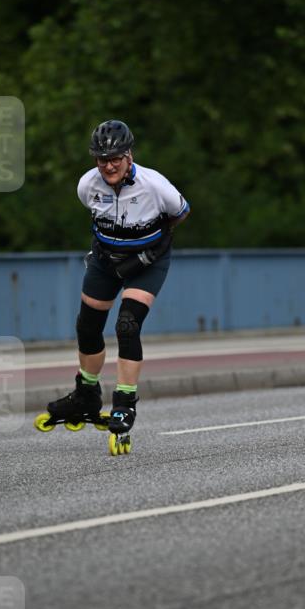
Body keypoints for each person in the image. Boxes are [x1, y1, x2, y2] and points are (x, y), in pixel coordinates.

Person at [47, 119, 190, 437]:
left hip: (146, 262)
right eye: (102, 159)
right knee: (87, 327)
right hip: (104, 259)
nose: (108, 166)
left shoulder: (154, 186)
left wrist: (153, 248)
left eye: (115, 158)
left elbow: (180, 212)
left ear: (129, 156)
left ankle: (125, 402)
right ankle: (86, 394)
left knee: (127, 325)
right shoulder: (88, 185)